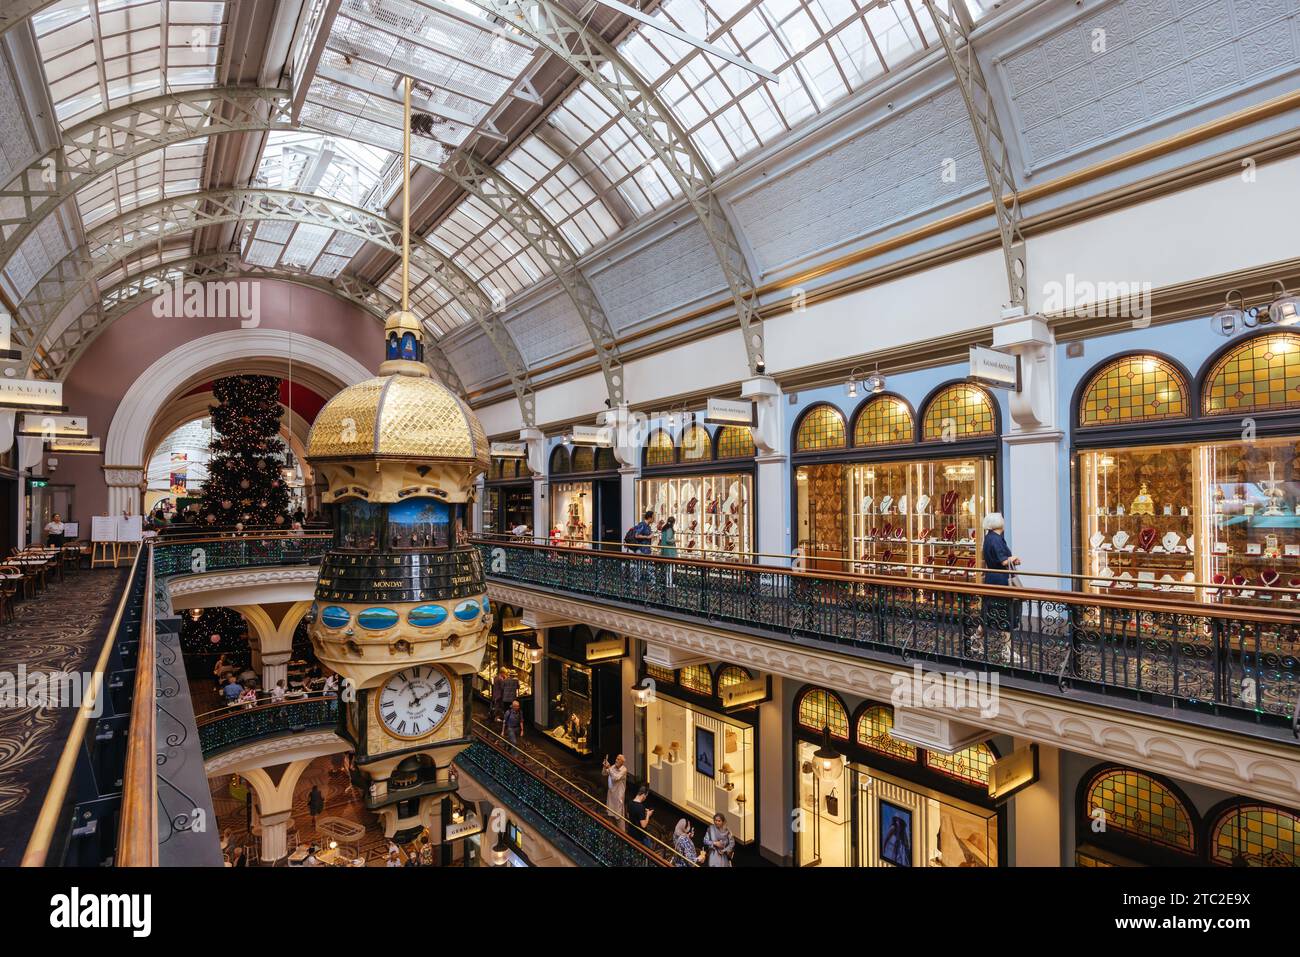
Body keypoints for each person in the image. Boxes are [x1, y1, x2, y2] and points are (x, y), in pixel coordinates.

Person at [979, 512, 1022, 662]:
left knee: (991, 612)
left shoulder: (991, 538)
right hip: (1000, 581)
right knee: (1005, 612)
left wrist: (1010, 559)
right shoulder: (995, 539)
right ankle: (1007, 650)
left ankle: (975, 640)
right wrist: (1012, 558)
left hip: (994, 580)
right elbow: (1002, 561)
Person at [601, 754, 630, 828]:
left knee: (619, 817)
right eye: (616, 759)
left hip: (618, 797)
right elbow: (604, 773)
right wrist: (605, 766)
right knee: (610, 816)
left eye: (618, 759)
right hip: (611, 795)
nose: (616, 760)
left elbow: (615, 778)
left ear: (622, 762)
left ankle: (622, 835)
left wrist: (609, 768)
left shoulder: (624, 770)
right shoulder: (613, 767)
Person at [657, 516, 677, 587]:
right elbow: (668, 540)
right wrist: (675, 540)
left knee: (667, 567)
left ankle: (667, 582)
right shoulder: (669, 529)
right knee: (670, 568)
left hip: (664, 550)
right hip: (669, 550)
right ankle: (670, 583)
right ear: (673, 522)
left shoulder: (664, 528)